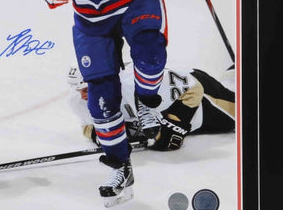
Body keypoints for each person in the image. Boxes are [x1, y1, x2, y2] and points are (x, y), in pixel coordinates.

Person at [38, 0, 207, 207]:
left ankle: (147, 104)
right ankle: (120, 166)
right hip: (91, 16)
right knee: (101, 100)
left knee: (150, 53)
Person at [67, 63, 235, 150]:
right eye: (78, 90)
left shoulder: (133, 82)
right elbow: (87, 125)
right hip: (183, 108)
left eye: (87, 88)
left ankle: (237, 70)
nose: (83, 95)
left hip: (202, 97)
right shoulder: (78, 100)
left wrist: (176, 125)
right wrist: (100, 134)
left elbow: (194, 87)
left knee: (247, 115)